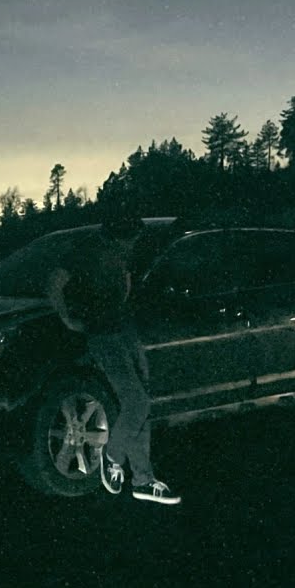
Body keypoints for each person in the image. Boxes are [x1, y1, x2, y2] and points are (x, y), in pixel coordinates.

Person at [46, 209, 181, 505]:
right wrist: (68, 318)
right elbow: (55, 282)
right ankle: (113, 456)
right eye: (131, 240)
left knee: (140, 401)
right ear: (119, 235)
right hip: (102, 334)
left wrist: (124, 296)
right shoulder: (86, 252)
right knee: (136, 401)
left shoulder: (121, 253)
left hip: (124, 329)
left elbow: (125, 280)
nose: (132, 246)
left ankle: (143, 480)